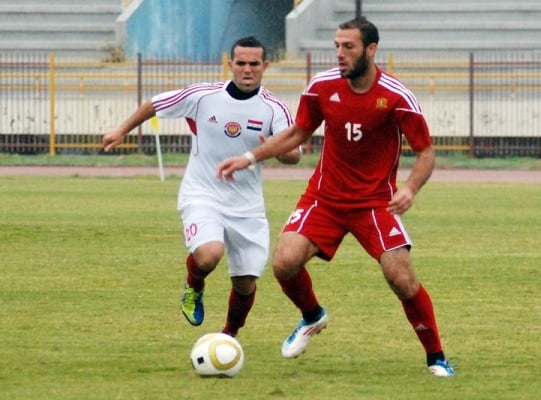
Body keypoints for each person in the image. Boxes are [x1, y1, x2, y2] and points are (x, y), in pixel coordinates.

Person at [216, 18, 455, 376]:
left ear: (371, 50)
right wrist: (250, 158)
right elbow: (297, 133)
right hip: (324, 198)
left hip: (375, 203)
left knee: (401, 278)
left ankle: (436, 357)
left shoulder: (396, 95)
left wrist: (409, 188)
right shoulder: (321, 86)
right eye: (337, 46)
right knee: (284, 262)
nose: (340, 54)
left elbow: (425, 152)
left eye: (349, 47)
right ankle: (312, 315)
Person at [103, 36, 301, 337]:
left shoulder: (274, 109)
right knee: (209, 255)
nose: (247, 70)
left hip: (247, 207)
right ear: (230, 64)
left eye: (254, 64)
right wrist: (121, 129)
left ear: (265, 66)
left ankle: (228, 337)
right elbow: (154, 104)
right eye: (241, 63)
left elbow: (294, 155)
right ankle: (194, 284)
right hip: (202, 194)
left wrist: (273, 148)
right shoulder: (203, 96)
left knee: (245, 282)